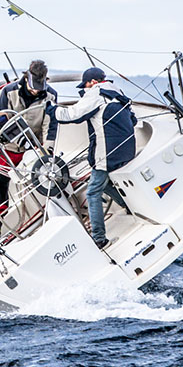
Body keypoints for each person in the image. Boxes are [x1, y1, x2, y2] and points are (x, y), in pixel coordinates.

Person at [46, 67, 137, 249]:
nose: (85, 89)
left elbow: (72, 115)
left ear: (93, 82)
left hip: (108, 153)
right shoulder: (117, 92)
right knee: (104, 181)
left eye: (86, 85)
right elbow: (133, 120)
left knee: (93, 192)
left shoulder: (96, 93)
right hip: (127, 149)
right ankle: (129, 206)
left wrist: (50, 109)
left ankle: (99, 238)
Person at [0, 60, 58, 234]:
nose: (36, 91)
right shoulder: (8, 92)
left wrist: (47, 149)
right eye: (34, 88)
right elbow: (3, 121)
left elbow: (50, 124)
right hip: (10, 146)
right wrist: (23, 142)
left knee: (48, 175)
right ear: (26, 78)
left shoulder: (50, 95)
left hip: (35, 146)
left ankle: (54, 211)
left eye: (39, 88)